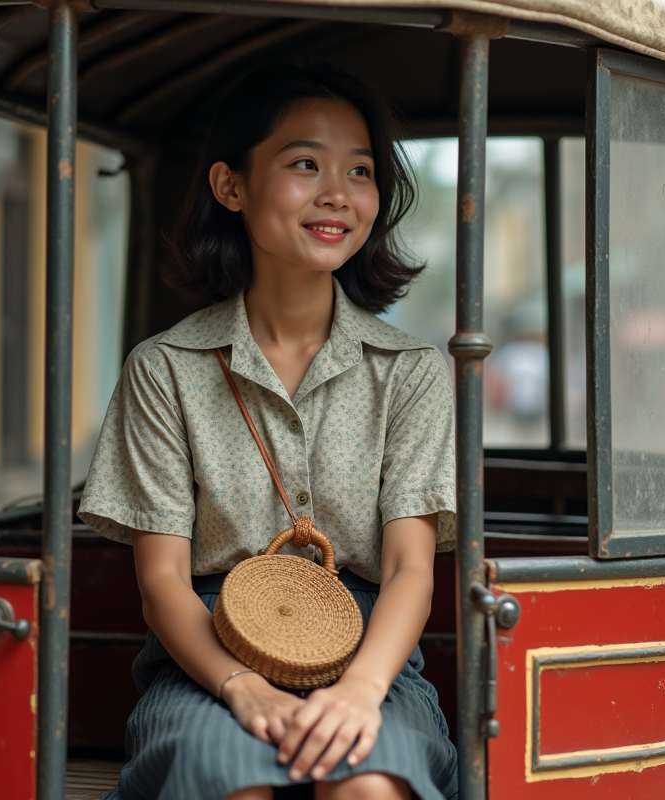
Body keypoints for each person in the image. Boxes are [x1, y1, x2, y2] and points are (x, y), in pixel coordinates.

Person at [78, 64, 458, 800]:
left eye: (360, 170)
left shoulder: (408, 371)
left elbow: (412, 568)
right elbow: (162, 582)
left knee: (369, 787)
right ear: (231, 186)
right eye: (305, 163)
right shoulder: (166, 369)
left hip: (369, 651)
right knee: (231, 787)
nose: (337, 193)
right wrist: (242, 686)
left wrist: (360, 690)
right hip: (207, 652)